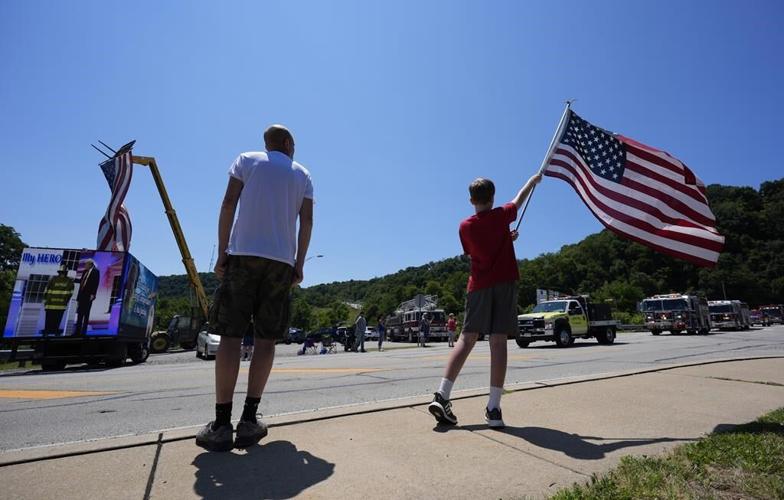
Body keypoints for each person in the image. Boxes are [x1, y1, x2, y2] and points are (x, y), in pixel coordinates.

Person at [196, 124, 314, 452]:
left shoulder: (246, 160)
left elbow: (228, 203)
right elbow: (306, 221)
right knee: (265, 341)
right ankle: (249, 420)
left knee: (230, 337)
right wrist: (298, 263)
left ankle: (221, 424)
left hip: (243, 254)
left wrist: (223, 251)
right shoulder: (303, 174)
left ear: (267, 143)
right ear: (287, 143)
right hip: (280, 262)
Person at [428, 173, 541, 429]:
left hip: (478, 286)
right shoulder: (501, 215)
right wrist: (531, 181)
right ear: (493, 197)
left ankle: (442, 395)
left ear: (471, 200)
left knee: (466, 339)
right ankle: (493, 408)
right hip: (504, 282)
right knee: (498, 341)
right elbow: (519, 199)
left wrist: (504, 237)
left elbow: (476, 252)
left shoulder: (464, 227)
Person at [42, 265, 74, 336]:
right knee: (57, 319)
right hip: (61, 305)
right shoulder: (69, 281)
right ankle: (54, 331)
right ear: (66, 272)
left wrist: (45, 300)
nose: (62, 274)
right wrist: (66, 301)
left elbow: (46, 290)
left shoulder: (52, 279)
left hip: (50, 304)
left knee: (49, 319)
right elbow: (70, 293)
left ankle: (47, 332)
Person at [74, 259, 100, 337]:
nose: (85, 265)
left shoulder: (96, 272)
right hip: (82, 295)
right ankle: (77, 331)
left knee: (86, 313)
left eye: (86, 264)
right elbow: (82, 281)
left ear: (90, 264)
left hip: (89, 295)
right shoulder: (85, 271)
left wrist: (93, 294)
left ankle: (84, 331)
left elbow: (96, 283)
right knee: (80, 313)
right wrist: (74, 279)